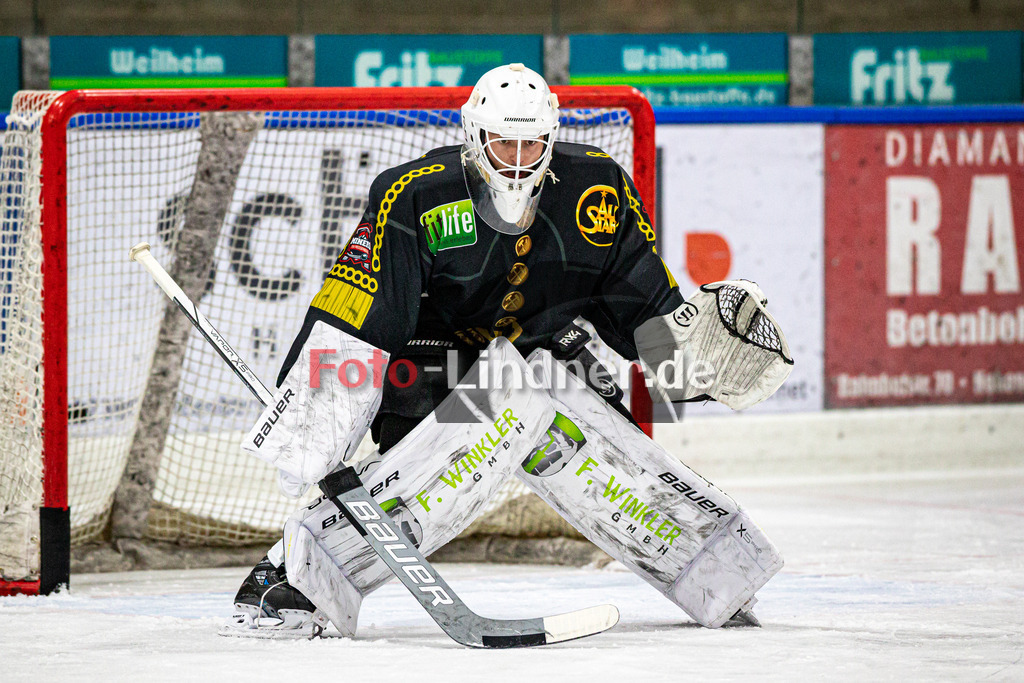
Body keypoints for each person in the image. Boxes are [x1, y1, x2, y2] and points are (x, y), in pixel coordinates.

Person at [226, 63, 791, 638]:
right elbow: (361, 318)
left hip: (544, 349)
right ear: (474, 135)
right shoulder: (416, 195)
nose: (519, 157)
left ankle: (709, 564)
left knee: (583, 432)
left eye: (532, 143)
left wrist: (694, 364)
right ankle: (293, 573)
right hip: (431, 360)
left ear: (551, 138)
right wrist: (318, 428)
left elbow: (639, 309)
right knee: (441, 463)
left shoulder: (600, 189)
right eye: (504, 142)